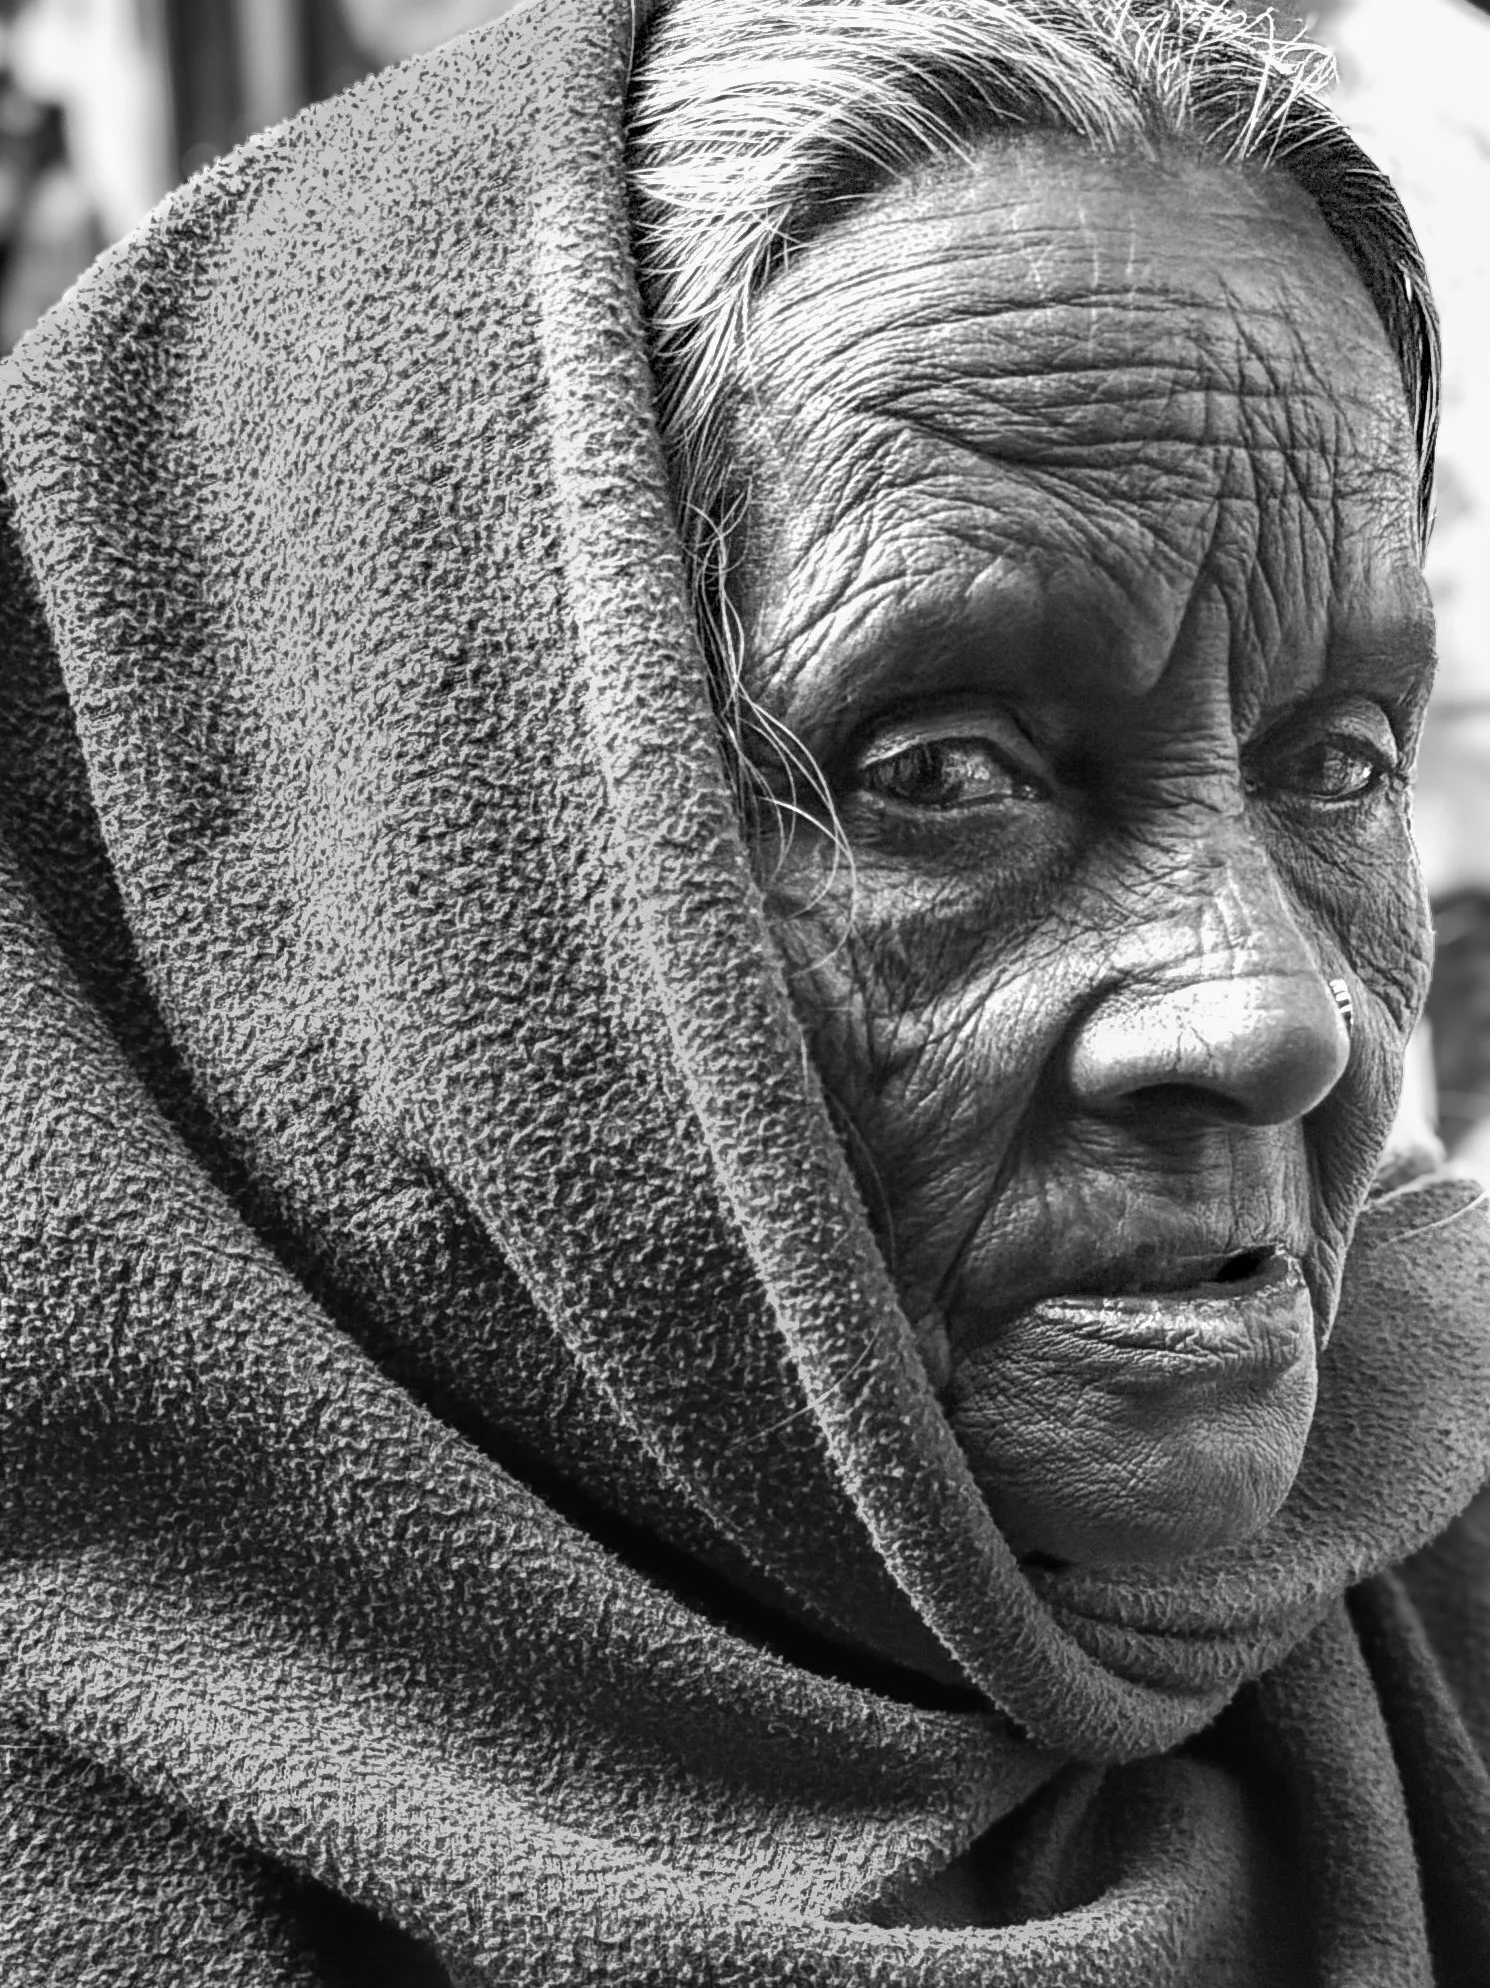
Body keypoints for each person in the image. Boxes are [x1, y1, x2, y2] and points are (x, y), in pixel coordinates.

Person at [0, 1, 1487, 1982]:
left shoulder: (1433, 1568)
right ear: (415, 887)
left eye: (1337, 760)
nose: (1274, 1017)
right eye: (944, 770)